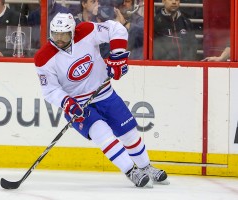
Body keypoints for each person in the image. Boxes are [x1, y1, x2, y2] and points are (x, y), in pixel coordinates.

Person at [34, 13, 169, 188]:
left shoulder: (86, 30)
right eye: (55, 34)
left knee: (128, 133)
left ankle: (146, 167)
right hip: (79, 106)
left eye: (64, 35)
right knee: (101, 132)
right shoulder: (43, 58)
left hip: (105, 93)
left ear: (73, 31)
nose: (59, 39)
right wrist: (67, 103)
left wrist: (118, 56)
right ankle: (131, 171)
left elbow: (116, 28)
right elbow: (50, 89)